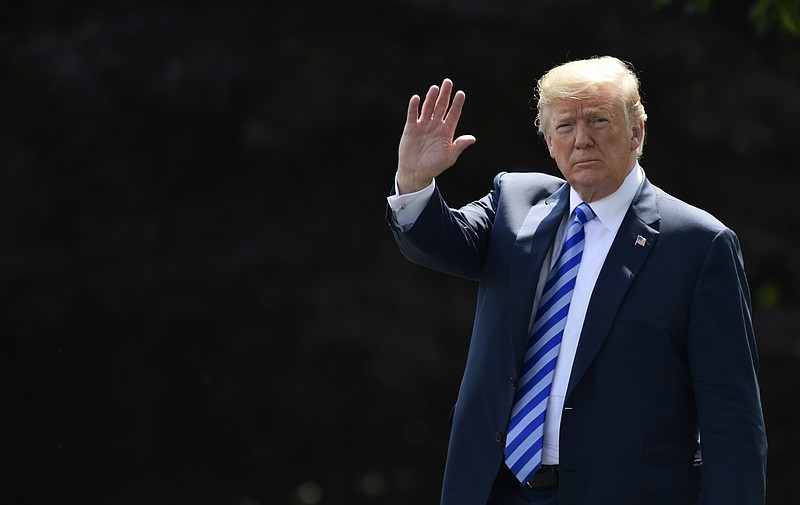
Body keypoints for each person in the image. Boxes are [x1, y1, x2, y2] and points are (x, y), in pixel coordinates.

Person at [385, 56, 767, 505]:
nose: (582, 140)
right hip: (496, 489)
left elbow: (732, 421)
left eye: (599, 121)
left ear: (636, 132)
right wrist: (414, 180)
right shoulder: (516, 203)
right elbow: (437, 241)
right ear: (549, 141)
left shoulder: (698, 243)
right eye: (565, 126)